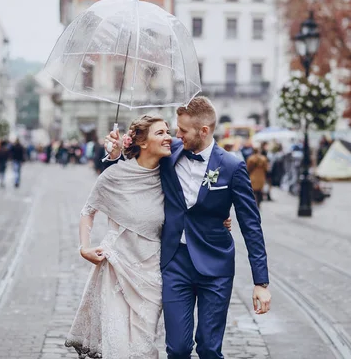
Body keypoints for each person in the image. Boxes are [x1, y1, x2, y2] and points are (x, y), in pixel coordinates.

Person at [104, 97, 270, 359]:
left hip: (215, 267)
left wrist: (261, 281)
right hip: (175, 263)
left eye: (182, 130)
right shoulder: (169, 155)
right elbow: (135, 168)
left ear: (203, 131)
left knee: (208, 348)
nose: (175, 135)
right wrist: (115, 153)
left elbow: (251, 225)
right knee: (178, 349)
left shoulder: (232, 166)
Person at [67, 114, 233, 359]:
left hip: (151, 273)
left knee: (143, 348)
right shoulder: (114, 176)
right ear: (142, 142)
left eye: (169, 131)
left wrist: (215, 219)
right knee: (119, 347)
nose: (169, 137)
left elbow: (189, 203)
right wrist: (84, 247)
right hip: (117, 268)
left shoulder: (170, 174)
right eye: (161, 133)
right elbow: (88, 211)